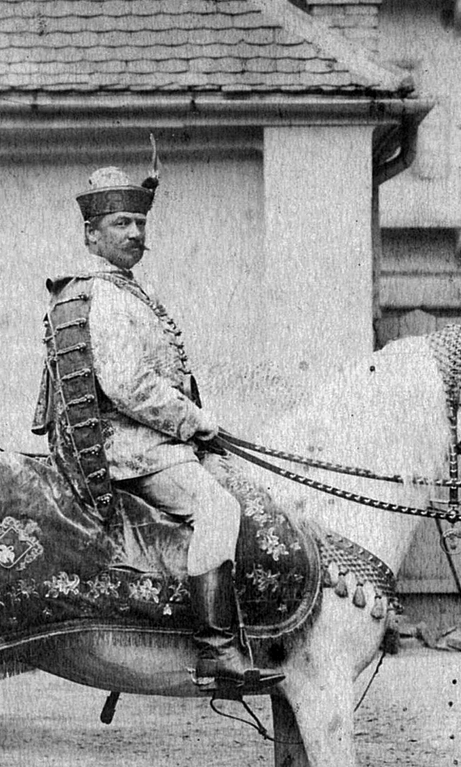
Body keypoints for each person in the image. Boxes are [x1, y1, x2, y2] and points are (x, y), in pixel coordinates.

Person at [32, 165, 283, 693]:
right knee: (220, 509)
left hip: (156, 442)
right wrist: (194, 422)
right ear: (91, 234)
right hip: (132, 449)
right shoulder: (101, 295)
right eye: (122, 223)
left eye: (140, 224)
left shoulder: (128, 291)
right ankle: (217, 650)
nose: (135, 234)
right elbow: (127, 384)